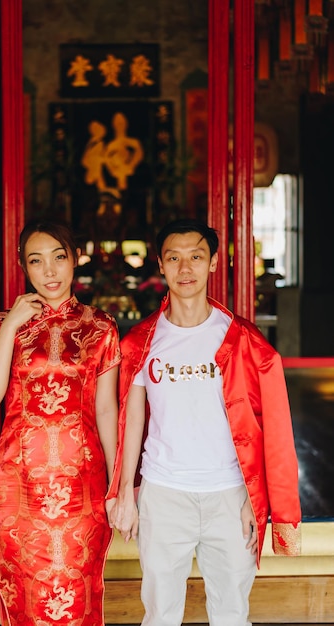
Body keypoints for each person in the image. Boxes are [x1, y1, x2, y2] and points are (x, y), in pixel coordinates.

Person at [108, 218, 301, 626]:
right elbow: (131, 421)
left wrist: (255, 498)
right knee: (160, 615)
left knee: (231, 614)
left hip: (229, 497)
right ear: (160, 265)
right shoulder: (140, 342)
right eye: (174, 258)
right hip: (163, 495)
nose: (185, 269)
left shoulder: (244, 341)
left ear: (213, 263)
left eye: (196, 257)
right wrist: (126, 492)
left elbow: (270, 430)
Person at [0, 218, 121, 626]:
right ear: (25, 268)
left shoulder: (100, 327)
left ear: (75, 260)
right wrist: (10, 326)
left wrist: (116, 485)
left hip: (81, 488)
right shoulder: (4, 325)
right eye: (36, 261)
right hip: (18, 488)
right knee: (24, 598)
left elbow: (107, 410)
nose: (50, 271)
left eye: (59, 258)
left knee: (77, 596)